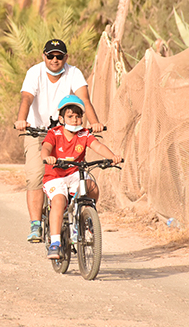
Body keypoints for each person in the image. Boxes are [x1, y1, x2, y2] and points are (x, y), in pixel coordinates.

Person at [14, 39, 104, 243]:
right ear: (43, 56)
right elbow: (26, 99)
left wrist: (95, 123)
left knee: (78, 174)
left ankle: (82, 217)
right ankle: (36, 224)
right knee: (36, 175)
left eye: (59, 56)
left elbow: (85, 100)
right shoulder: (34, 73)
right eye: (51, 56)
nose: (55, 60)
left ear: (66, 58)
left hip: (65, 132)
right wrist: (22, 120)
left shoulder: (73, 73)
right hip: (37, 132)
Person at [40, 95, 121, 259]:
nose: (75, 120)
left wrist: (112, 157)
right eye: (70, 116)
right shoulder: (54, 133)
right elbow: (46, 147)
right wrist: (47, 157)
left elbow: (97, 145)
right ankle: (55, 243)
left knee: (92, 187)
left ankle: (87, 217)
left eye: (78, 117)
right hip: (55, 176)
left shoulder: (84, 134)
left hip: (75, 173)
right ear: (61, 118)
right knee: (59, 200)